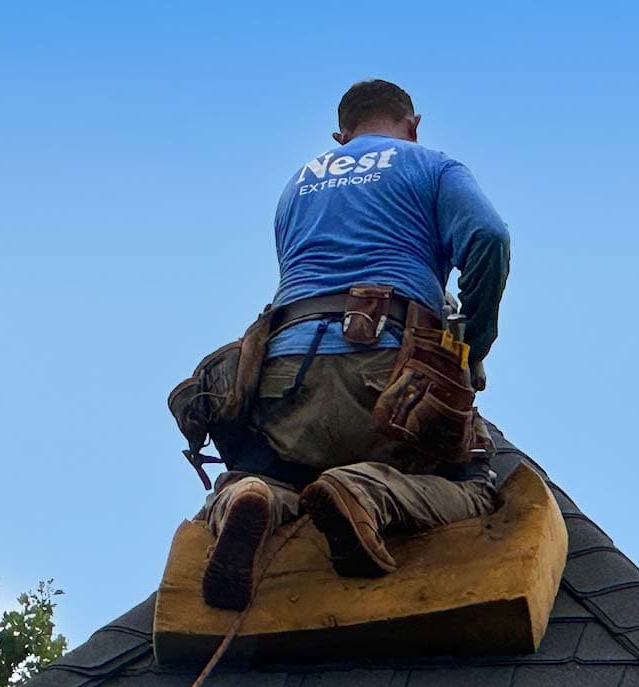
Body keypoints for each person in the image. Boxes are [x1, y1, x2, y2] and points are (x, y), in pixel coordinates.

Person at [200, 79, 510, 610]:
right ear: (413, 125)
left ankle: (245, 498)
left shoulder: (296, 185)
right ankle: (363, 492)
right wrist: (471, 347)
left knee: (282, 476)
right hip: (389, 376)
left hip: (283, 374)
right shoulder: (431, 165)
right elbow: (489, 238)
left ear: (340, 136)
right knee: (474, 483)